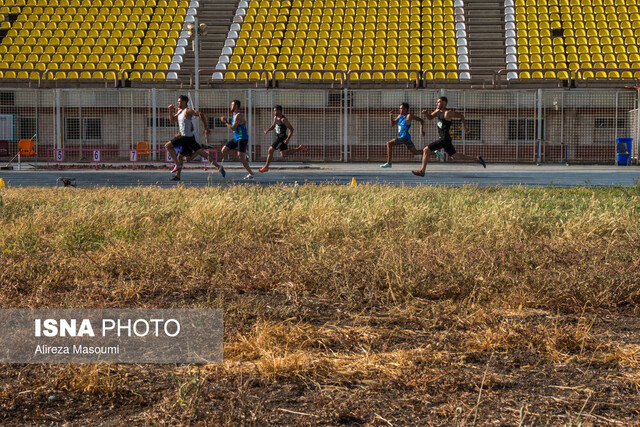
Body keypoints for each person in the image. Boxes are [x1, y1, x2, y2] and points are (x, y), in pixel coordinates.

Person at [412, 96, 486, 177]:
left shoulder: (448, 113)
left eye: (439, 102)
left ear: (444, 103)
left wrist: (465, 128)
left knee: (426, 150)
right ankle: (476, 158)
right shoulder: (437, 111)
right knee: (455, 156)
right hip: (446, 139)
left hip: (444, 138)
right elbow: (430, 117)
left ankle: (422, 171)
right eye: (437, 102)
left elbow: (461, 116)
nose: (437, 103)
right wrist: (426, 114)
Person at [165, 95, 225, 181]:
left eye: (180, 101)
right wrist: (170, 111)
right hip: (189, 138)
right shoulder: (179, 112)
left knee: (168, 146)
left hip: (186, 137)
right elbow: (172, 121)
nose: (178, 103)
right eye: (178, 101)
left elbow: (200, 114)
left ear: (185, 102)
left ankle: (177, 165)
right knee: (192, 156)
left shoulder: (187, 111)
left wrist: (206, 128)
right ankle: (219, 166)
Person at [259, 105, 308, 173]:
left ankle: (266, 167)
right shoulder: (275, 117)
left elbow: (291, 129)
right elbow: (273, 126)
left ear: (279, 111)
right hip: (279, 137)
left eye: (275, 110)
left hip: (282, 138)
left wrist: (287, 139)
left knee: (270, 150)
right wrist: (268, 130)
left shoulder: (283, 120)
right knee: (284, 154)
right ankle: (299, 148)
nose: (274, 112)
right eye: (273, 111)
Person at [380, 103, 425, 168]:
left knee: (389, 143)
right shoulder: (399, 116)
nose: (399, 109)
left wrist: (421, 130)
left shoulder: (409, 116)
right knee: (415, 152)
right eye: (399, 108)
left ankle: (389, 163)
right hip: (407, 138)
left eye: (401, 108)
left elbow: (421, 120)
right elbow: (392, 124)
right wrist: (390, 116)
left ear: (405, 109)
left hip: (404, 137)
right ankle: (434, 152)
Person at [220, 99, 254, 180]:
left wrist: (225, 122)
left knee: (241, 158)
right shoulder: (234, 115)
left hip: (242, 138)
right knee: (224, 150)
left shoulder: (238, 115)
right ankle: (242, 150)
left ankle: (251, 173)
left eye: (232, 105)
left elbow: (233, 128)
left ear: (236, 106)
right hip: (236, 138)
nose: (230, 106)